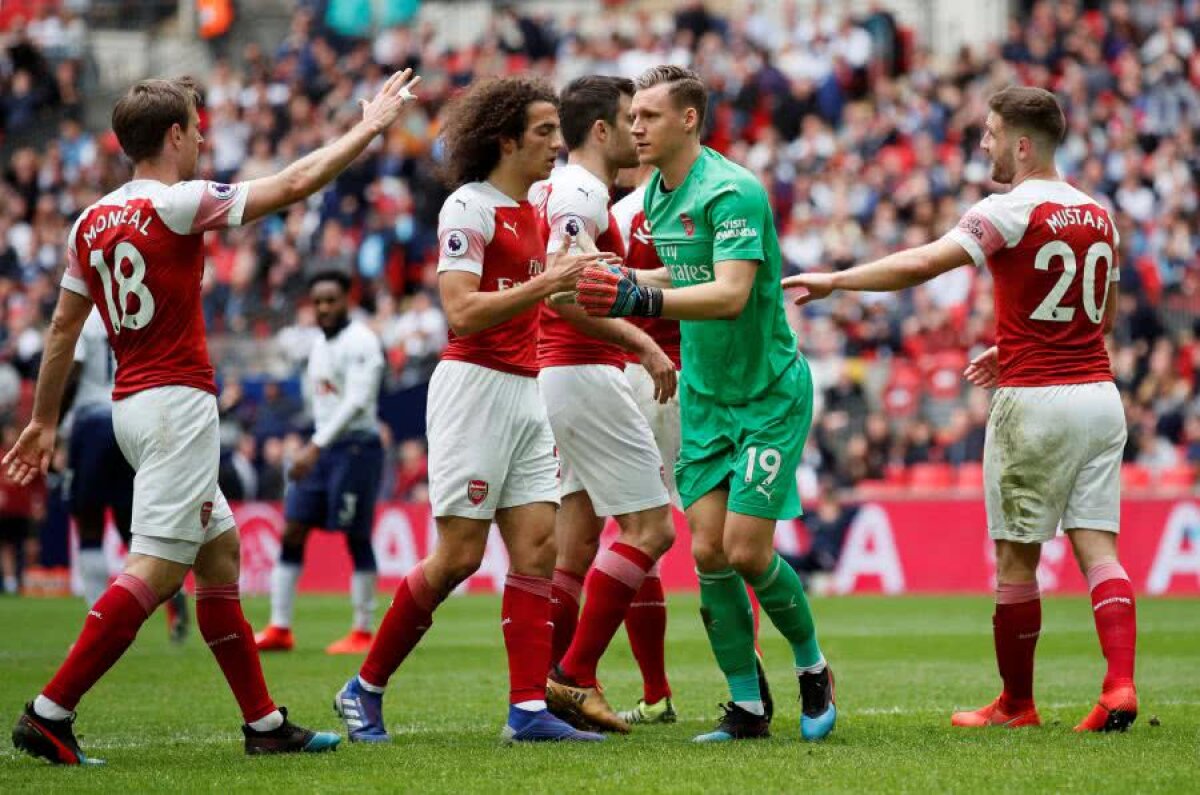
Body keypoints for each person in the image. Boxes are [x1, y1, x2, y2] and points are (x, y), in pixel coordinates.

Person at [5, 67, 422, 764]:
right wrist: (367, 129)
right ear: (174, 135)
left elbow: (60, 330)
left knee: (220, 553)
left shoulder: (90, 220)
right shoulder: (178, 202)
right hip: (176, 405)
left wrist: (44, 419)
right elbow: (292, 185)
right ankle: (50, 710)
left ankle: (262, 722)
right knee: (158, 570)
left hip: (131, 404)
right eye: (197, 129)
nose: (203, 140)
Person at [782, 86, 1137, 733]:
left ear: (1022, 145)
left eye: (992, 133)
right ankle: (1118, 685)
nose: (983, 145)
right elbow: (1102, 316)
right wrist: (1015, 342)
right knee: (1099, 549)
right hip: (1099, 397)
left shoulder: (1008, 209)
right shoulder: (1100, 213)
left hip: (1036, 402)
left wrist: (835, 280)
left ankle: (1017, 704)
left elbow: (924, 262)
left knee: (1014, 560)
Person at [332, 76, 607, 745]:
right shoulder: (469, 206)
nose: (555, 144)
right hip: (473, 386)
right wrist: (548, 282)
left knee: (537, 549)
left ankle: (525, 710)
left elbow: (555, 292)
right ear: (506, 139)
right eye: (543, 132)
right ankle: (362, 688)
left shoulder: (538, 208)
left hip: (525, 388)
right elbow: (461, 310)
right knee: (457, 554)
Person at [576, 65, 836, 743]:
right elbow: (686, 270)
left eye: (649, 117)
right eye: (633, 118)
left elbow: (729, 293)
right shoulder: (656, 193)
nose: (635, 127)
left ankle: (812, 667)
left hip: (768, 393)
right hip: (706, 396)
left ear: (689, 119)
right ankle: (747, 706)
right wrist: (630, 274)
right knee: (710, 553)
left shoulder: (733, 191)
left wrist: (639, 297)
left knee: (749, 551)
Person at [529, 75, 678, 733]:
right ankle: (572, 675)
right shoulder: (584, 192)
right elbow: (565, 292)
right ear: (600, 130)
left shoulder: (560, 189)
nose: (637, 130)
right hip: (583, 371)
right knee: (652, 529)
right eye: (628, 118)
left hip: (564, 371)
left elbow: (575, 280)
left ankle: (541, 685)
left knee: (581, 540)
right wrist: (643, 342)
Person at [256, 270, 385, 655]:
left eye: (331, 299)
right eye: (318, 301)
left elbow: (358, 401)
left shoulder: (362, 341)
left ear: (348, 299)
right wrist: (311, 441)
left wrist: (314, 446)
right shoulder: (317, 346)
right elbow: (325, 405)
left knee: (355, 534)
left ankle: (362, 631)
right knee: (293, 528)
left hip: (356, 449)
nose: (324, 308)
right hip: (321, 447)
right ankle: (280, 627)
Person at [67, 307, 189, 641]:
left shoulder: (83, 315)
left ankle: (97, 620)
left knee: (89, 521)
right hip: (131, 419)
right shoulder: (133, 307)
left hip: (93, 422)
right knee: (129, 522)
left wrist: (51, 422)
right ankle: (169, 589)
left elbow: (73, 370)